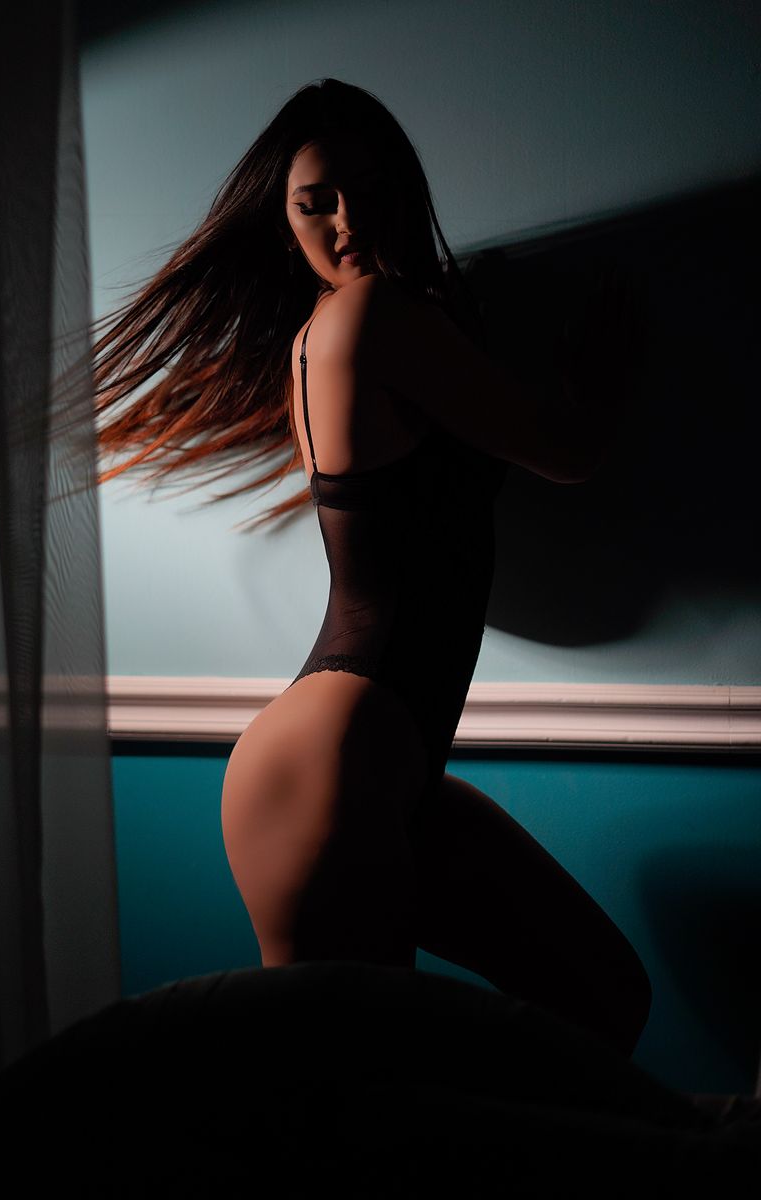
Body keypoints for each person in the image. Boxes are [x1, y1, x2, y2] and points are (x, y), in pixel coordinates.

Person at [93, 78, 651, 1056]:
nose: (345, 221)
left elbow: (415, 546)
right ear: (285, 224)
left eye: (367, 190)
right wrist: (597, 378)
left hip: (372, 768)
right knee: (353, 1089)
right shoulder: (370, 318)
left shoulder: (345, 331)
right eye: (316, 203)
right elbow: (567, 451)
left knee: (606, 999)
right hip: (329, 766)